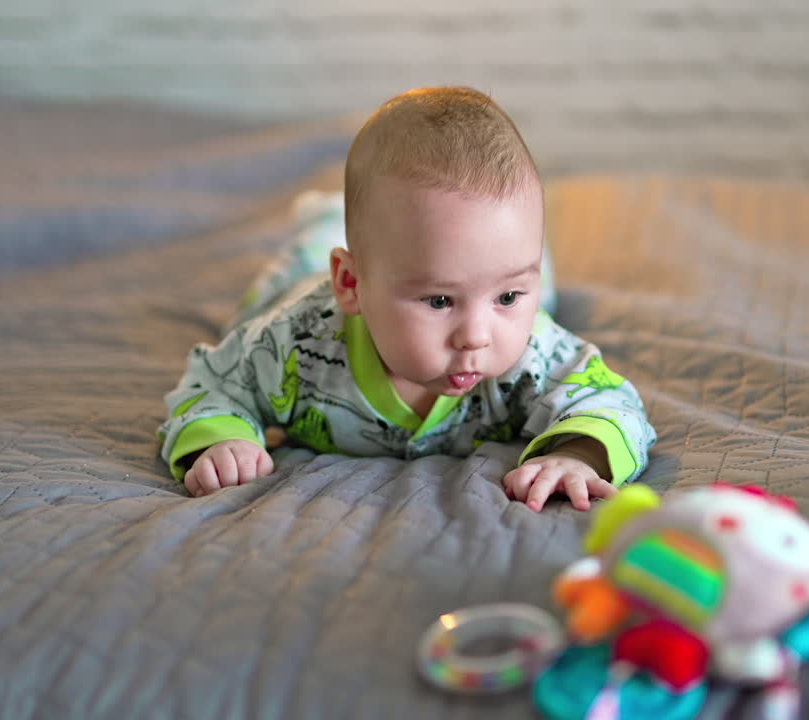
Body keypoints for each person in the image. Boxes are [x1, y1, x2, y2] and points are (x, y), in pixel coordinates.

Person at [157, 86, 655, 511]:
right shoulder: (291, 342)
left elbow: (613, 403)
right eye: (439, 301)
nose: (476, 337)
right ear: (350, 285)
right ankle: (325, 218)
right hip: (306, 283)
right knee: (288, 275)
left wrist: (578, 454)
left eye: (506, 296)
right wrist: (223, 439)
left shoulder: (532, 351)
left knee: (534, 281)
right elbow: (211, 384)